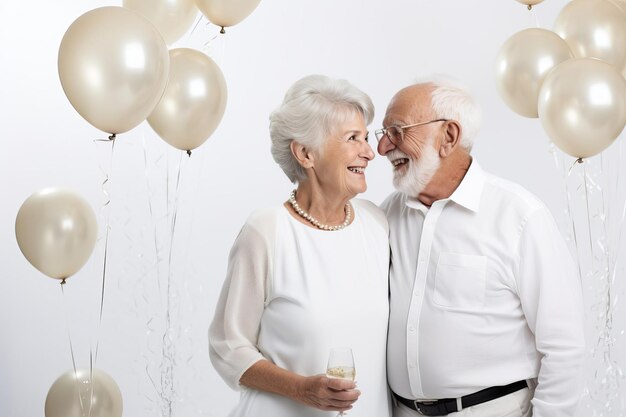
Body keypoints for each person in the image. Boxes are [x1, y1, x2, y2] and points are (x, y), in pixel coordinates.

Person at [375, 76, 586, 417]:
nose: (383, 148)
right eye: (383, 134)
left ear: (449, 136)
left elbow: (564, 346)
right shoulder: (387, 215)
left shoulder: (519, 216)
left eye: (398, 131)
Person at [209, 74, 391, 417]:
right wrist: (301, 389)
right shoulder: (266, 230)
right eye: (353, 138)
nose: (369, 152)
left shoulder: (377, 224)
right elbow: (228, 346)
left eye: (366, 138)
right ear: (306, 153)